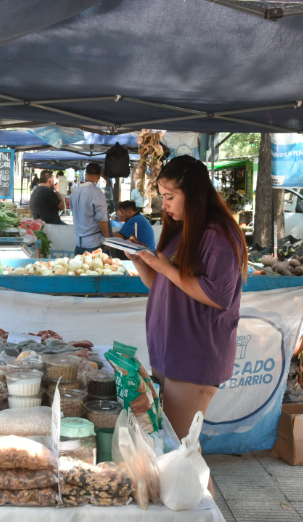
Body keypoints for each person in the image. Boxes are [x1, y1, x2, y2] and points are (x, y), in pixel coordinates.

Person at [126, 156, 247, 444]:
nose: (164, 204)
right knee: (170, 445)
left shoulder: (218, 234)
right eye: (162, 196)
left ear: (192, 194)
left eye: (170, 196)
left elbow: (218, 296)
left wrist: (165, 266)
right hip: (169, 350)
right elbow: (160, 283)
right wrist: (141, 260)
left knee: (182, 449)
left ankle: (198, 492)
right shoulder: (181, 228)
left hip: (195, 354)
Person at [70, 162, 110, 255]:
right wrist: (107, 239)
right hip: (93, 245)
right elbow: (102, 220)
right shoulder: (97, 193)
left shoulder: (74, 191)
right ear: (99, 176)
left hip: (78, 242)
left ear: (86, 174)